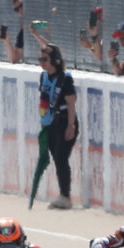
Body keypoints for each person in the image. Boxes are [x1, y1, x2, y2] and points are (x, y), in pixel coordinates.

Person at [38, 44, 79, 210]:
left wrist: (71, 126)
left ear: (54, 60)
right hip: (51, 124)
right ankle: (63, 194)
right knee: (56, 158)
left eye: (44, 59)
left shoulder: (65, 79)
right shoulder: (43, 77)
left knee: (61, 158)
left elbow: (71, 104)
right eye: (40, 59)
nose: (41, 62)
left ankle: (65, 196)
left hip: (64, 121)